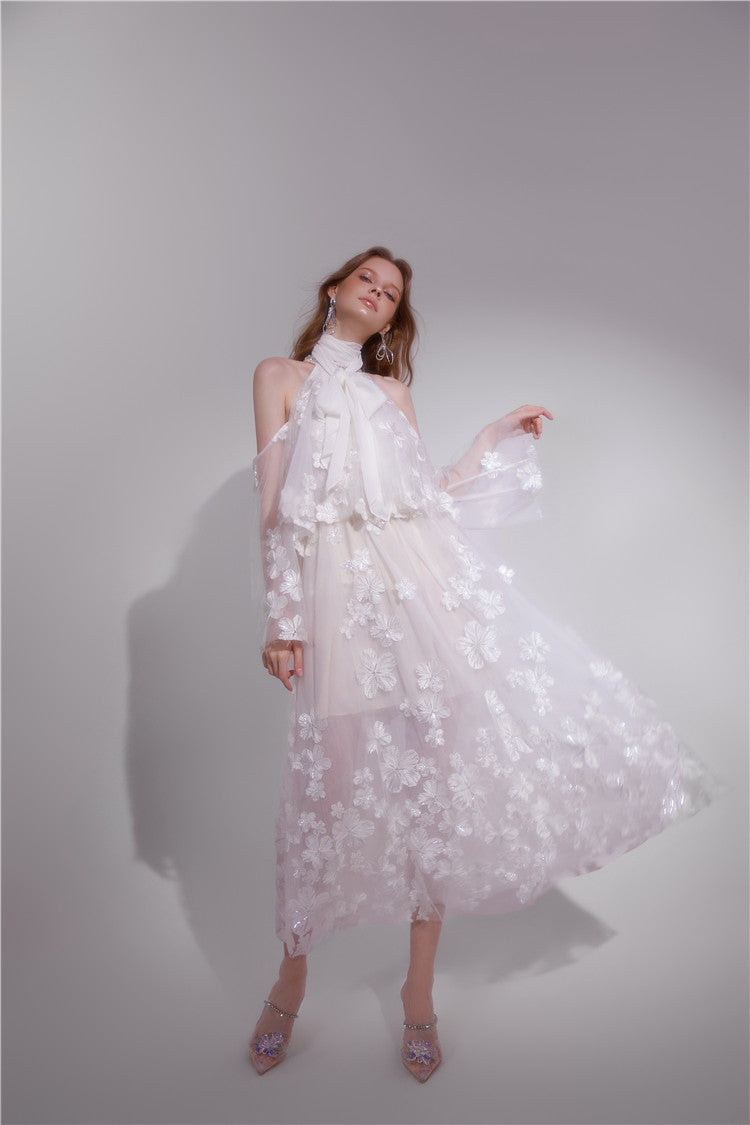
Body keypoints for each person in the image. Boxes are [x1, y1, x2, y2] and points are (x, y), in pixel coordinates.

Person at [248, 246, 719, 1082]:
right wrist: (283, 620)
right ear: (335, 288)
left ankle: (418, 992)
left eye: (391, 293)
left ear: (393, 317)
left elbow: (428, 501)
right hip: (335, 608)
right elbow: (275, 504)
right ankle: (290, 979)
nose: (378, 293)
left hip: (425, 603)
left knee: (434, 790)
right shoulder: (279, 377)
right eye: (367, 279)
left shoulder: (392, 393)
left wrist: (494, 438)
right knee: (325, 790)